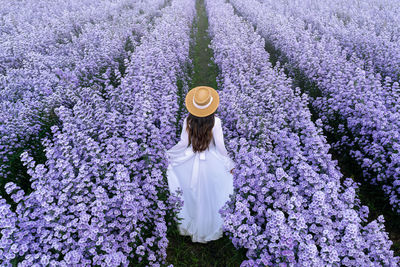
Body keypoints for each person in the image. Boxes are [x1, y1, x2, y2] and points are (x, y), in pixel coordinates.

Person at [166, 85, 235, 243]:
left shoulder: (188, 120)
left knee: (192, 193)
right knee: (213, 194)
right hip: (212, 160)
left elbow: (183, 143)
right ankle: (209, 225)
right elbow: (221, 147)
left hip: (191, 159)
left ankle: (194, 222)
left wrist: (169, 154)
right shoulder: (216, 121)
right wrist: (230, 163)